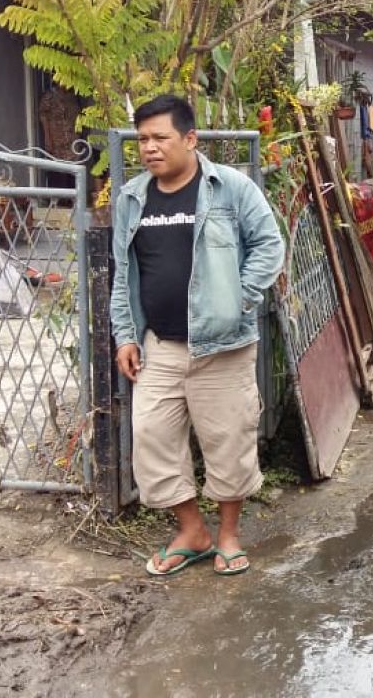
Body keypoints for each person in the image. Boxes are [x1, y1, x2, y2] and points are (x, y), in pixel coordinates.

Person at [110, 94, 285, 577]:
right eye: (142, 139)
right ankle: (193, 532)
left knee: (228, 441)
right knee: (152, 438)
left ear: (189, 139)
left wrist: (238, 298)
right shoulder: (132, 198)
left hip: (223, 347)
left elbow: (270, 246)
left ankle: (228, 535)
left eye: (160, 138)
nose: (149, 148)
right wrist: (126, 335)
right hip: (160, 347)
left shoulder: (230, 188)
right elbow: (124, 274)